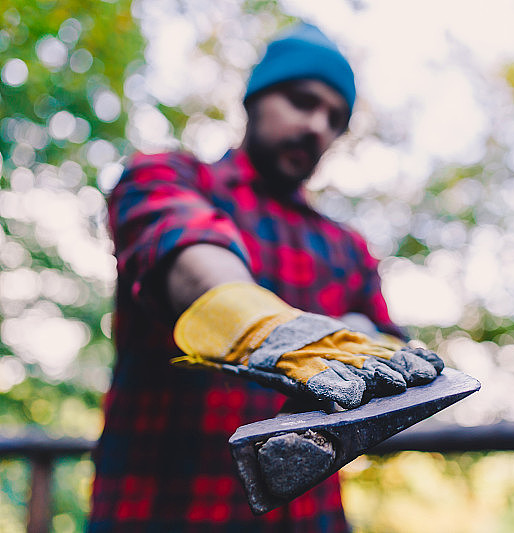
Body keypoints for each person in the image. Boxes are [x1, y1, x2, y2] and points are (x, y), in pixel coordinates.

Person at [89, 22, 442, 532]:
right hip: (161, 508)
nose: (317, 125)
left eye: (335, 119)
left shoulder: (348, 248)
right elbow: (185, 247)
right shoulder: (167, 177)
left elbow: (386, 344)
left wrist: (374, 345)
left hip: (309, 519)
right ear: (254, 101)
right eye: (302, 101)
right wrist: (259, 326)